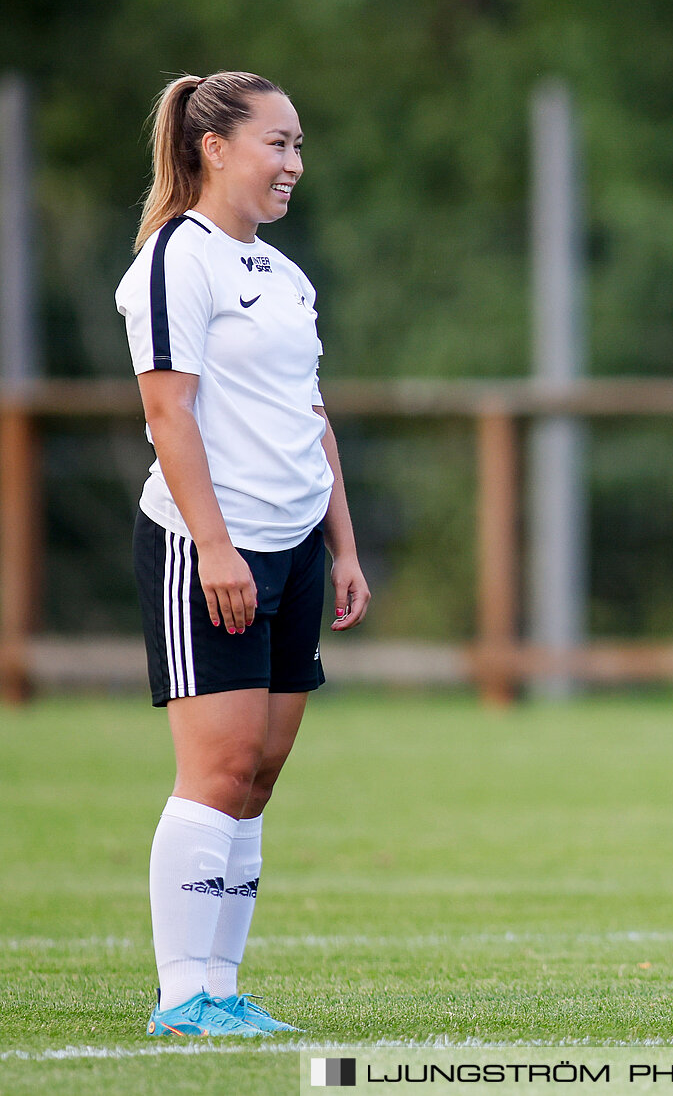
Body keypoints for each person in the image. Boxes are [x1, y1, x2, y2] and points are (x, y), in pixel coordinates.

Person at [116, 71, 370, 1037]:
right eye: (279, 143)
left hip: (296, 549)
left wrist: (342, 547)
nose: (294, 164)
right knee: (215, 769)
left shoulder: (285, 273)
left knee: (258, 773)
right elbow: (166, 411)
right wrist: (217, 549)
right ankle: (183, 995)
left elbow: (310, 417)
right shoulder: (178, 259)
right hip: (208, 550)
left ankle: (223, 985)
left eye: (300, 146)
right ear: (213, 147)